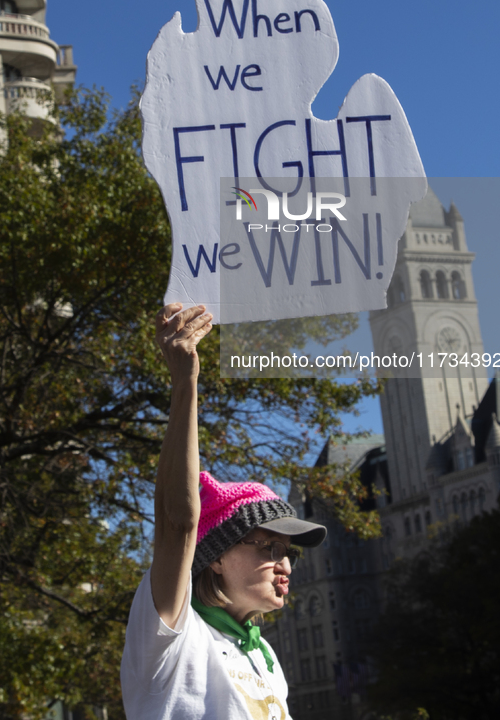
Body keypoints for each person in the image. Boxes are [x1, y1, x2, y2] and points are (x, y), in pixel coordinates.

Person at [121, 304, 326, 719]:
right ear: (215, 555)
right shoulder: (172, 636)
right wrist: (185, 382)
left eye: (289, 552)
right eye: (269, 547)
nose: (284, 564)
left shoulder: (264, 653)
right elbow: (178, 523)